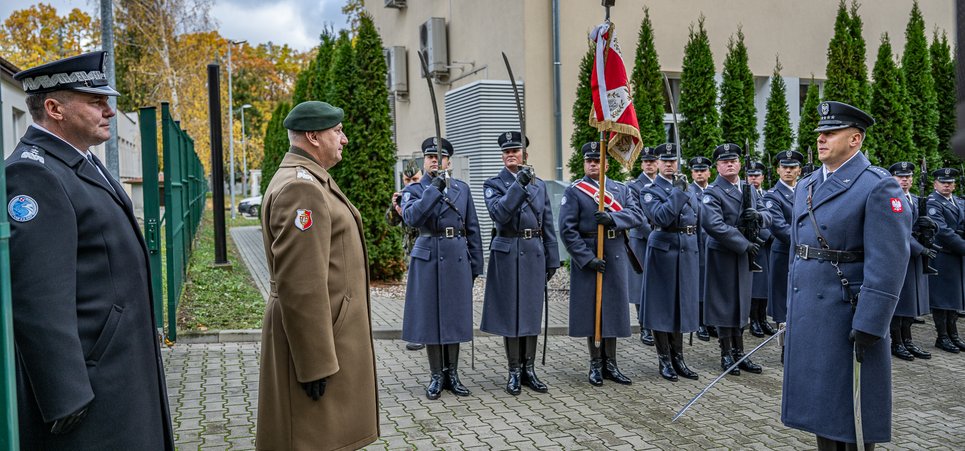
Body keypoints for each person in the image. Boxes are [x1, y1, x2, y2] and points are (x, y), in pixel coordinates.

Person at [5, 51, 173, 449]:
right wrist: (66, 397)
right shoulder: (34, 173)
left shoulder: (80, 161)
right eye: (96, 101)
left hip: (119, 367)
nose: (110, 111)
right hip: (92, 386)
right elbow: (37, 294)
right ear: (54, 108)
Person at [782, 101, 911, 450]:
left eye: (831, 133)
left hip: (848, 313)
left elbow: (889, 261)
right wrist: (789, 312)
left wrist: (872, 321)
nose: (821, 139)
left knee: (853, 417)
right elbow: (798, 253)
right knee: (822, 412)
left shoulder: (876, 186)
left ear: (855, 139)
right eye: (820, 134)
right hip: (811, 310)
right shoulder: (808, 184)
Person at [256, 101, 379, 450]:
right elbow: (302, 285)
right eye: (337, 131)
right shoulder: (302, 188)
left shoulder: (310, 179)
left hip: (326, 337)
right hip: (318, 346)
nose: (344, 139)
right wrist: (315, 365)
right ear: (313, 136)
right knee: (312, 440)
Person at [400, 137, 484, 399]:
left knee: (455, 316)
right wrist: (432, 190)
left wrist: (476, 264)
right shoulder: (414, 190)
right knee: (431, 316)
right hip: (428, 255)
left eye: (440, 157)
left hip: (457, 255)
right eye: (430, 157)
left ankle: (453, 374)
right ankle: (437, 375)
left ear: (449, 161)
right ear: (424, 161)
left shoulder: (462, 188)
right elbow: (412, 218)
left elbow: (473, 228)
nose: (435, 160)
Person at [481, 131, 560, 395]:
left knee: (530, 313)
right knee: (511, 313)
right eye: (506, 152)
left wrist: (552, 257)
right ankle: (514, 370)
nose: (510, 155)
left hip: (533, 251)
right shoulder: (493, 183)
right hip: (508, 251)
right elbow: (500, 214)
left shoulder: (539, 185)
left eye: (515, 151)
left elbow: (547, 223)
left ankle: (530, 369)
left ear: (525, 154)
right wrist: (519, 185)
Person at [559, 142, 642, 386]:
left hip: (614, 252)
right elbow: (567, 230)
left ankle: (611, 364)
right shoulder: (575, 191)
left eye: (598, 160)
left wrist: (613, 218)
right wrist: (586, 259)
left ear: (606, 163)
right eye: (589, 161)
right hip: (590, 254)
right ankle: (595, 364)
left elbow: (637, 215)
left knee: (613, 310)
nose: (593, 164)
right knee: (591, 311)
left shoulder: (619, 189)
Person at [700, 143, 770, 376]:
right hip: (724, 253)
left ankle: (741, 353)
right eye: (724, 161)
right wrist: (743, 244)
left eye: (733, 160)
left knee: (741, 302)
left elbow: (768, 214)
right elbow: (713, 224)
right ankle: (726, 353)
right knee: (724, 302)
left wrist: (759, 216)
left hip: (744, 254)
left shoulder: (748, 189)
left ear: (740, 164)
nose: (730, 164)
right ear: (717, 167)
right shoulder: (713, 192)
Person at [639, 144, 701, 381]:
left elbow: (696, 218)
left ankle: (679, 358)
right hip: (663, 252)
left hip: (686, 250)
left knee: (679, 307)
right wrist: (678, 193)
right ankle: (664, 360)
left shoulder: (686, 186)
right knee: (662, 308)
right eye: (664, 161)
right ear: (656, 164)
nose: (669, 165)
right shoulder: (650, 190)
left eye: (673, 161)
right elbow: (661, 217)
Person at [888, 162, 933, 361]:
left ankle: (908, 340)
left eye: (908, 177)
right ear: (893, 179)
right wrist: (919, 248)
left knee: (911, 302)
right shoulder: (891, 200)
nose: (905, 180)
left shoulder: (915, 199)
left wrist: (931, 227)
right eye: (900, 177)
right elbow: (899, 232)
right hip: (899, 256)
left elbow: (921, 227)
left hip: (913, 258)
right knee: (900, 303)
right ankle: (896, 341)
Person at [763, 150, 804, 360]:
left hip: (805, 256)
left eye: (793, 167)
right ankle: (785, 350)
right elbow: (778, 227)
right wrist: (807, 240)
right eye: (784, 167)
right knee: (784, 301)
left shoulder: (806, 190)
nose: (789, 170)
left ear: (799, 170)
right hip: (784, 254)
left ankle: (801, 345)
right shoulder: (772, 195)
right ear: (778, 169)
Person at [386, 161, 425, 351]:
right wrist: (395, 208)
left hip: (429, 251)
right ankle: (418, 335)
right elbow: (391, 221)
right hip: (411, 253)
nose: (410, 183)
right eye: (407, 180)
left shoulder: (426, 193)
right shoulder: (403, 195)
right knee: (415, 295)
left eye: (415, 179)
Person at [926, 167, 965, 354]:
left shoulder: (958, 202)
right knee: (942, 299)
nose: (947, 185)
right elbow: (942, 231)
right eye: (943, 182)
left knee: (955, 297)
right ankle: (942, 336)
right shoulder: (933, 202)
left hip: (956, 256)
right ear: (935, 184)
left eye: (950, 183)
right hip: (943, 255)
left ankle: (953, 334)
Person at [627, 147, 658, 346]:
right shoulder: (634, 185)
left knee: (657, 281)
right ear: (641, 164)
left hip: (661, 240)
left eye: (652, 161)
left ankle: (657, 321)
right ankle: (644, 326)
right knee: (641, 283)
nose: (649, 164)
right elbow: (637, 215)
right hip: (642, 238)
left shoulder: (665, 183)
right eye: (645, 161)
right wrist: (654, 235)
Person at [746, 161, 775, 337]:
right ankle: (754, 320)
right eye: (751, 175)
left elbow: (770, 217)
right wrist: (764, 236)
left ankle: (763, 318)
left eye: (757, 175)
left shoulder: (765, 194)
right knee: (755, 285)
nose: (754, 179)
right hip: (756, 243)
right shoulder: (745, 195)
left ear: (763, 177)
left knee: (765, 284)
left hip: (768, 246)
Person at [689, 155, 713, 341]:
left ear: (709, 173)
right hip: (697, 243)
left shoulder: (713, 191)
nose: (699, 173)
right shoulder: (689, 192)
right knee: (699, 285)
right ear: (691, 173)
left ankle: (710, 320)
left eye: (703, 170)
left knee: (711, 284)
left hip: (713, 244)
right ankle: (700, 323)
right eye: (696, 171)